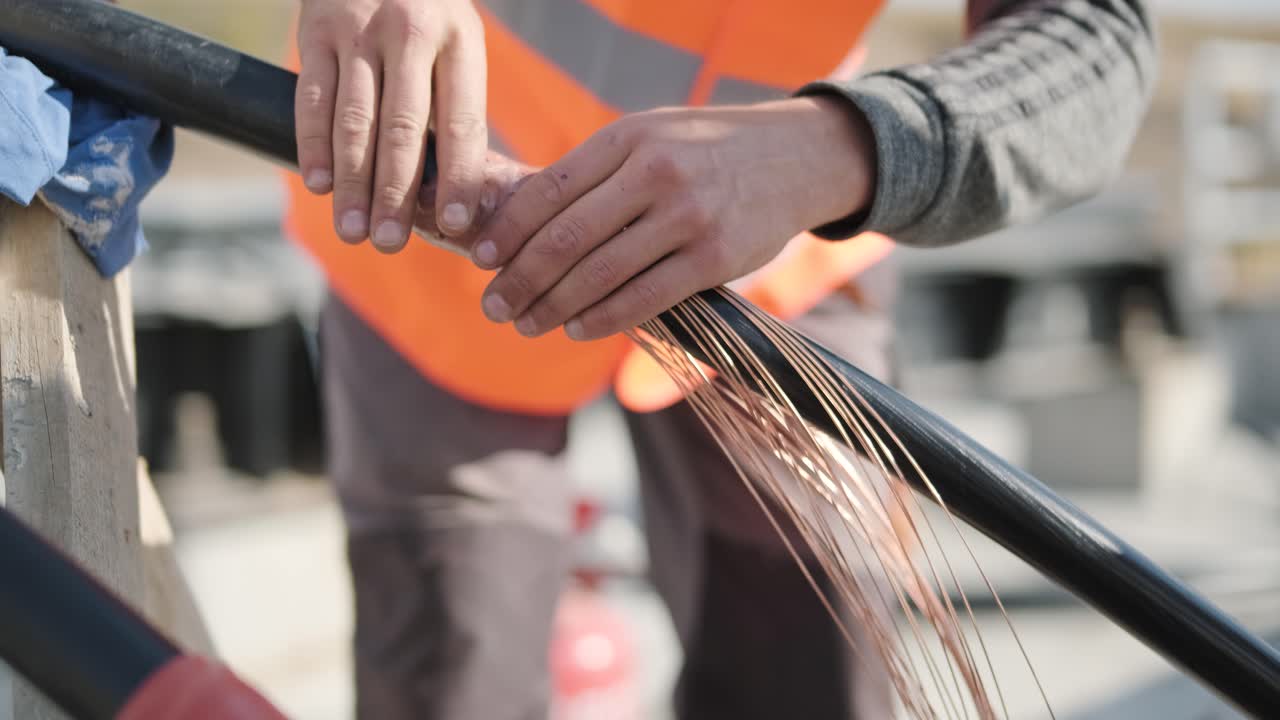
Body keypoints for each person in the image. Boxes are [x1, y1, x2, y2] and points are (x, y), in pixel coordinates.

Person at [281, 0, 1156, 717]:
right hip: (434, 205)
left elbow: (1090, 44)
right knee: (451, 659)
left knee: (811, 660)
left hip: (780, 252)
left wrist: (843, 147)